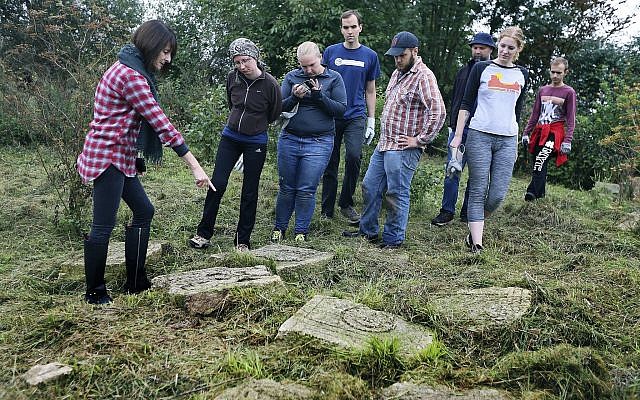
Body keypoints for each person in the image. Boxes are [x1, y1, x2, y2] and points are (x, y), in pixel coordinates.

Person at [76, 20, 214, 304]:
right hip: (107, 156)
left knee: (144, 210)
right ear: (150, 46)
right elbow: (160, 123)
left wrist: (136, 156)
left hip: (122, 156)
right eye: (164, 51)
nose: (168, 58)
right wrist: (194, 164)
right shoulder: (131, 77)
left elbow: (129, 121)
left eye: (170, 52)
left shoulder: (128, 66)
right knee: (103, 226)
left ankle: (136, 282)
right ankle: (95, 293)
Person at [343, 31, 446, 248]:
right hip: (385, 143)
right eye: (395, 55)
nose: (398, 59)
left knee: (396, 192)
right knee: (370, 186)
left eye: (403, 55)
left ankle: (393, 239)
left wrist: (420, 140)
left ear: (415, 52)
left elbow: (438, 111)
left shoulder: (424, 76)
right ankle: (368, 231)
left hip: (403, 147)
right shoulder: (397, 74)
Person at [189, 38, 282, 251]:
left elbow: (274, 113)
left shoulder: (270, 84)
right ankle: (203, 233)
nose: (242, 66)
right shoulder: (233, 78)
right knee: (217, 184)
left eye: (246, 60)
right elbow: (232, 103)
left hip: (256, 141)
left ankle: (242, 240)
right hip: (230, 137)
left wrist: (253, 128)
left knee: (249, 190)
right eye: (237, 62)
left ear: (255, 58)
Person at [449, 26, 530, 253]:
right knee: (478, 188)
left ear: (518, 50)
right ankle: (477, 243)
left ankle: (476, 224)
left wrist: (515, 142)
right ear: (498, 46)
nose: (505, 51)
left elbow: (518, 109)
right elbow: (465, 104)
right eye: (502, 46)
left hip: (507, 138)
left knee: (496, 195)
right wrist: (457, 137)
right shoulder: (482, 69)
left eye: (510, 48)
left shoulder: (523, 74)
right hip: (479, 135)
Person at [271, 41, 347, 242]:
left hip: (319, 141)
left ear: (320, 57)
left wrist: (319, 96)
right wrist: (295, 98)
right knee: (286, 186)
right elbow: (277, 108)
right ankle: (279, 228)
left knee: (306, 188)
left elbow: (340, 110)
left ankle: (301, 231)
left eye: (311, 65)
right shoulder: (292, 77)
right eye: (303, 66)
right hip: (290, 138)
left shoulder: (333, 78)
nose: (308, 70)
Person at [320, 10, 381, 225]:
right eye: (345, 27)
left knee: (354, 156)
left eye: (353, 27)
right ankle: (326, 209)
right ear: (341, 29)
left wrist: (372, 120)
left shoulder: (370, 56)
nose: (349, 31)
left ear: (360, 28)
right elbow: (323, 82)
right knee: (330, 160)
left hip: (356, 115)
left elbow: (370, 90)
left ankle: (345, 203)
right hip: (332, 114)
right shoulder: (330, 52)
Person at [431, 32, 495, 226]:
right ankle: (446, 211)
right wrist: (452, 126)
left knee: (477, 175)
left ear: (490, 50)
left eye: (481, 48)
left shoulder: (494, 73)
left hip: (482, 132)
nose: (477, 51)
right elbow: (457, 100)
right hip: (459, 130)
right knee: (452, 171)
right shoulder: (463, 71)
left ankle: (468, 212)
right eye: (474, 47)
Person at [522, 57, 576, 201]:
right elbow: (535, 113)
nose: (555, 76)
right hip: (540, 131)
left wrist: (567, 140)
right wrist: (526, 132)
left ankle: (532, 193)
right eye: (553, 72)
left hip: (555, 132)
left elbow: (571, 118)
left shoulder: (569, 92)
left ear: (566, 72)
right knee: (538, 162)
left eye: (559, 73)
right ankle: (541, 196)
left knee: (541, 158)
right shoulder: (543, 90)